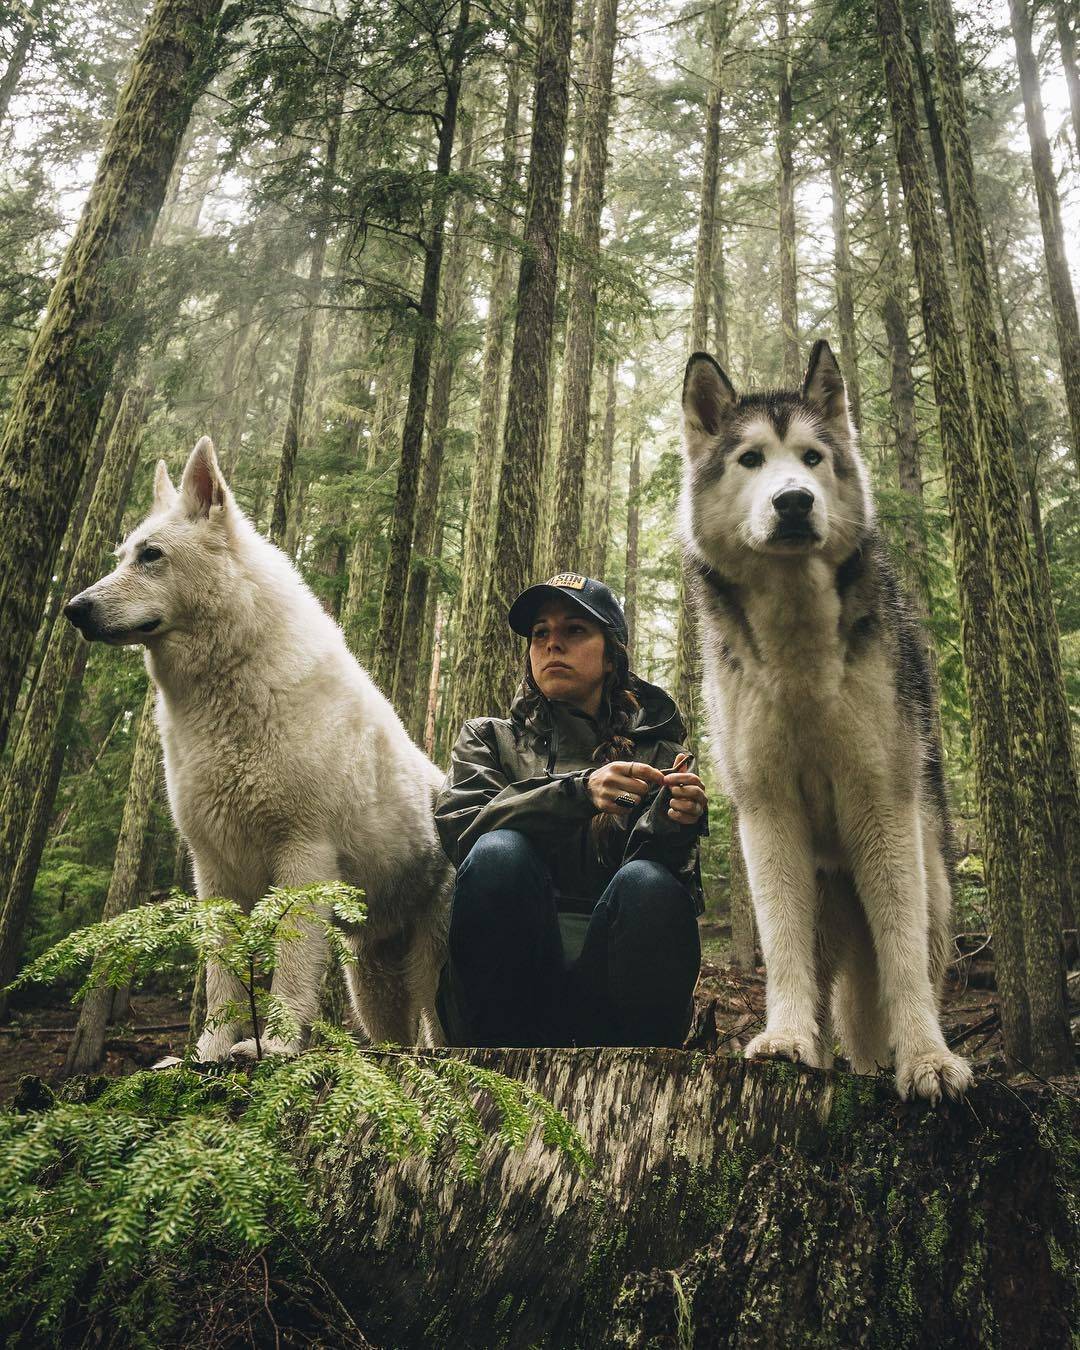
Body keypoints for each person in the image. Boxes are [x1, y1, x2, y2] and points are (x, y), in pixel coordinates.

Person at [434, 573, 708, 1048]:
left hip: (614, 998)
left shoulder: (661, 754)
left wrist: (674, 825)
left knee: (649, 883)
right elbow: (464, 832)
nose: (552, 644)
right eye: (541, 633)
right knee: (499, 852)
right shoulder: (488, 740)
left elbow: (665, 902)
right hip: (503, 998)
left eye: (574, 631)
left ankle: (635, 1082)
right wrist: (579, 792)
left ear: (611, 657)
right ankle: (491, 1071)